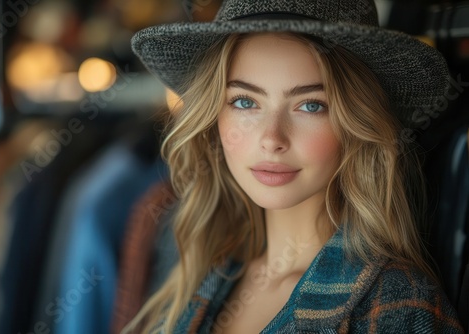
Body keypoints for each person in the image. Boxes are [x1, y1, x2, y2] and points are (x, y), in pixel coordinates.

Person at [123, 0, 464, 332]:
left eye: (311, 106)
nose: (272, 139)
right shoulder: (196, 276)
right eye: (245, 102)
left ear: (356, 123)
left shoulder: (398, 307)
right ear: (214, 116)